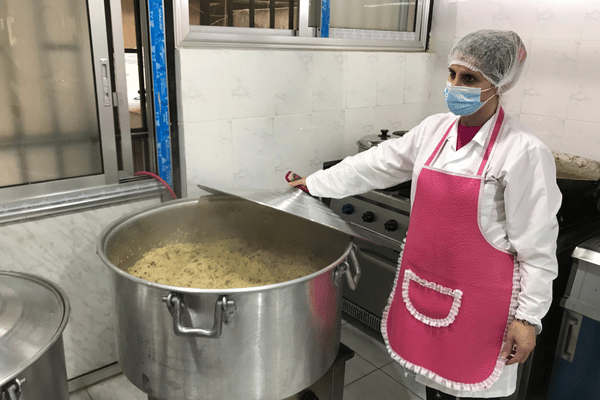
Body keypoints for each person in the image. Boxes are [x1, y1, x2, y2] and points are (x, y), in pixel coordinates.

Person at [289, 30, 562, 399]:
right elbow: (374, 165)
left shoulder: (524, 152)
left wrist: (528, 318)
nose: (454, 85)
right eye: (451, 74)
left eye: (469, 78)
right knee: (434, 386)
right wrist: (315, 182)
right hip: (426, 284)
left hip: (483, 306)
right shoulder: (433, 130)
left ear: (498, 84)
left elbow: (537, 246)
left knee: (469, 387)